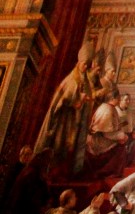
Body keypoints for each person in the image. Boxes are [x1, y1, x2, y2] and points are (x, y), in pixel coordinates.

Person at [34, 41, 95, 176]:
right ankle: (53, 173)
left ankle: (69, 172)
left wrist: (85, 100)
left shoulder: (85, 80)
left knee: (71, 149)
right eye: (84, 63)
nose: (86, 66)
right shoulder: (71, 80)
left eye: (88, 64)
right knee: (60, 146)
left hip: (76, 121)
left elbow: (88, 97)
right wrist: (78, 100)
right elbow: (62, 101)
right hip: (64, 120)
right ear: (79, 62)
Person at [6, 148, 53, 214]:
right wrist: (41, 207)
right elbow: (31, 196)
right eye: (48, 159)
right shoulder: (31, 173)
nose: (48, 163)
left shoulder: (32, 171)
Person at [84, 90, 128, 177]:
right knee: (121, 146)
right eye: (118, 98)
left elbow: (112, 128)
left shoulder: (109, 107)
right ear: (112, 99)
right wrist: (122, 136)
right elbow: (107, 134)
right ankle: (110, 172)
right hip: (98, 141)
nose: (119, 100)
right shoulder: (107, 110)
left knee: (122, 140)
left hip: (103, 138)